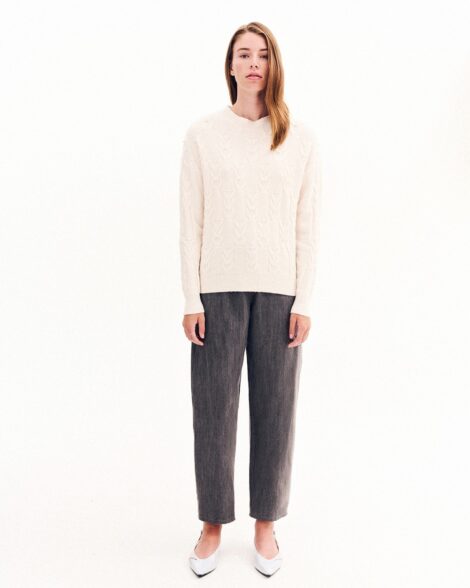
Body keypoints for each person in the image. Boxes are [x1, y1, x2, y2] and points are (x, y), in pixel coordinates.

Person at [179, 21, 322, 577]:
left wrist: (304, 300)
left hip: (280, 293)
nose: (254, 62)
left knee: (276, 411)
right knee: (213, 411)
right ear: (231, 65)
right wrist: (191, 298)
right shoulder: (202, 135)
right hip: (216, 290)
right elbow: (190, 221)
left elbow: (307, 225)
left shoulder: (298, 138)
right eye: (244, 54)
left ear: (273, 64)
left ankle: (266, 523)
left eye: (263, 54)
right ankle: (213, 523)